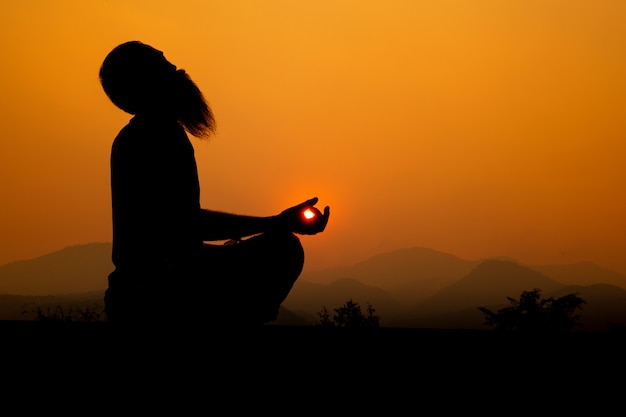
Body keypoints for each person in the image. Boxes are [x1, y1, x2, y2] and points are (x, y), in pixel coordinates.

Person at [99, 41, 330, 329]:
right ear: (146, 83)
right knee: (283, 250)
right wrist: (277, 223)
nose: (176, 68)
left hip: (148, 285)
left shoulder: (145, 135)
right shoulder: (155, 137)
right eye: (164, 65)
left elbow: (178, 236)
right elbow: (186, 226)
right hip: (156, 294)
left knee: (274, 247)